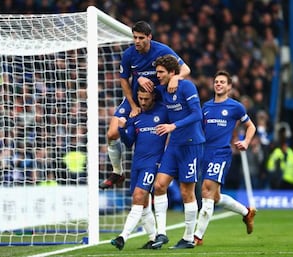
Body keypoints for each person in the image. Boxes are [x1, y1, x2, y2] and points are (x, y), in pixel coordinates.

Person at [99, 21, 191, 189]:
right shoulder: (129, 55)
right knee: (112, 133)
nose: (137, 41)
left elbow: (186, 69)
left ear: (149, 37)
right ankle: (117, 172)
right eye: (135, 37)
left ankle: (176, 171)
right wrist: (133, 106)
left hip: (158, 101)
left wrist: (176, 78)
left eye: (141, 38)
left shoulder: (162, 50)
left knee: (169, 134)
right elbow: (123, 80)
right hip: (135, 99)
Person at [193, 70, 257, 246]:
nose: (218, 84)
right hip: (205, 153)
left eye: (222, 82)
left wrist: (246, 141)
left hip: (221, 153)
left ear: (229, 86)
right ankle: (246, 213)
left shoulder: (235, 107)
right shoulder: (205, 107)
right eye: (216, 82)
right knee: (215, 197)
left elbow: (251, 127)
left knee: (206, 190)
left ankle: (197, 236)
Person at [151, 54, 205, 249]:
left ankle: (189, 238)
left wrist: (174, 126)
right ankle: (161, 234)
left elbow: (197, 114)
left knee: (186, 192)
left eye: (161, 72)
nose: (157, 75)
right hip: (173, 146)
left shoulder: (187, 87)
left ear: (172, 73)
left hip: (191, 145)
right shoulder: (162, 89)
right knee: (159, 185)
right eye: (156, 72)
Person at [110, 87, 169, 250]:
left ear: (154, 97)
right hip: (137, 164)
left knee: (138, 196)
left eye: (146, 99)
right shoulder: (136, 116)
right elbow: (129, 142)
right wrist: (122, 128)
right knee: (142, 205)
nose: (143, 102)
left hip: (153, 164)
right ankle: (152, 239)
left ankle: (122, 237)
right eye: (140, 99)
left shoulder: (164, 112)